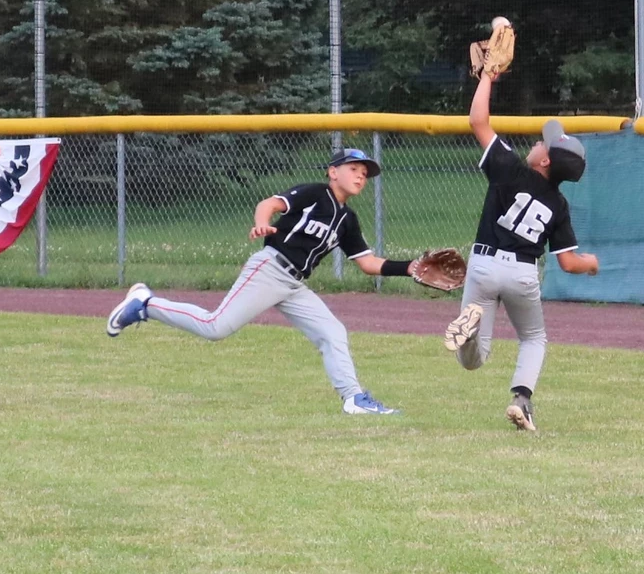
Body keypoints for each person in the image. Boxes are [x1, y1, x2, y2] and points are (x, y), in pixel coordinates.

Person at [105, 148, 421, 415]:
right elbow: (268, 205)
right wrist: (261, 225)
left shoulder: (348, 220)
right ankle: (146, 303)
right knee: (216, 327)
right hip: (270, 269)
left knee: (333, 332)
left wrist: (409, 267)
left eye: (365, 173)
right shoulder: (314, 194)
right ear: (333, 172)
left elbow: (367, 263)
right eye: (354, 169)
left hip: (295, 285)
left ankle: (354, 399)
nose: (360, 176)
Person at [444, 72, 599, 431]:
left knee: (473, 360)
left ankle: (468, 334)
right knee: (533, 338)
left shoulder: (510, 169)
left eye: (544, 145)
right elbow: (568, 262)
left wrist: (487, 77)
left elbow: (477, 120)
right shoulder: (558, 204)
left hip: (483, 264)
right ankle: (522, 400)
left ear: (545, 162)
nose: (537, 143)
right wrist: (591, 263)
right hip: (522, 273)